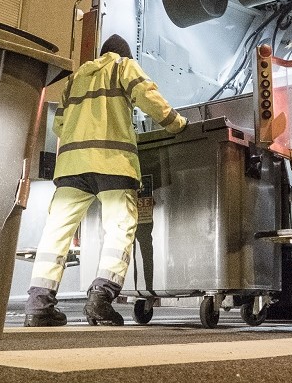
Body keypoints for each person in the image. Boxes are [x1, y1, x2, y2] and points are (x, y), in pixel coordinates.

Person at [25, 35, 187, 327]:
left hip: (72, 166)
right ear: (123, 55)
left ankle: (39, 305)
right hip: (112, 162)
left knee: (56, 233)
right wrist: (177, 124)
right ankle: (101, 298)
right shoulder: (123, 67)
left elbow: (58, 124)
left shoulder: (75, 80)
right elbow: (149, 98)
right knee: (119, 228)